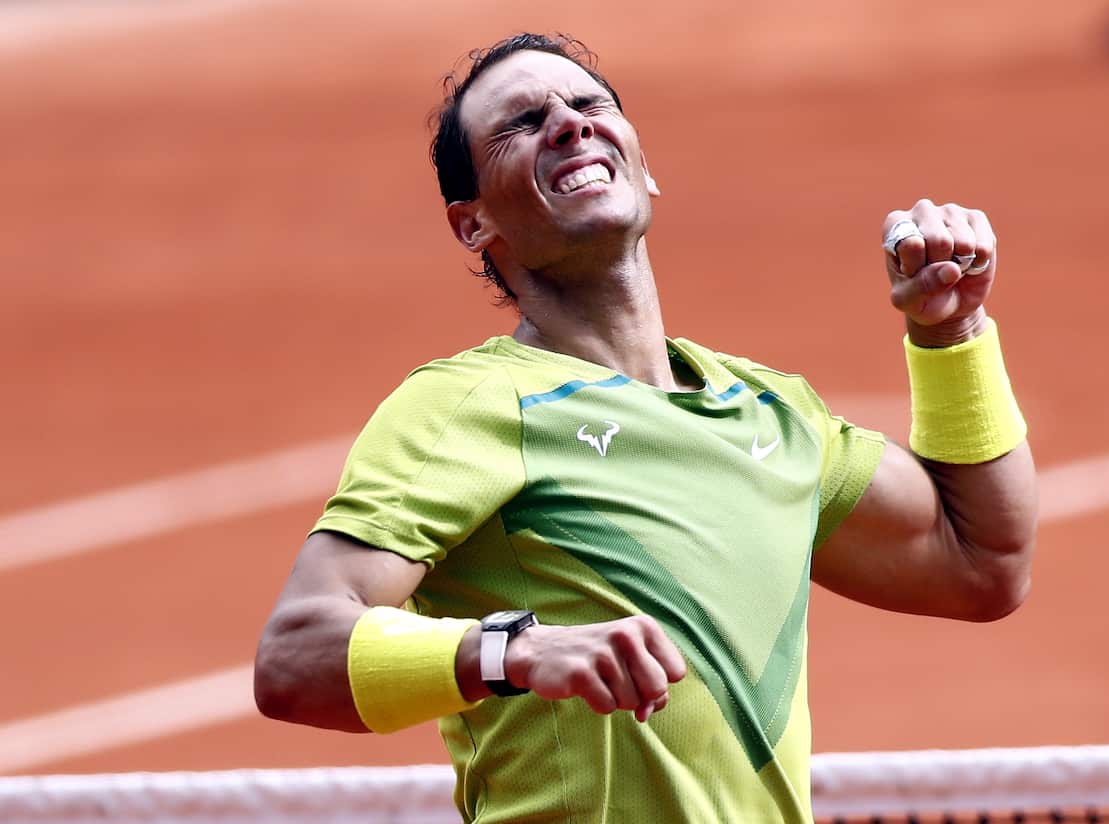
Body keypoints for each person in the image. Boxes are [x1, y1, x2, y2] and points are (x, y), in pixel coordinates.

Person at [253, 32, 1038, 824]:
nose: (568, 122)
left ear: (642, 164)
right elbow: (294, 655)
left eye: (589, 104)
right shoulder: (475, 405)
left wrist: (951, 335)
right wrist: (514, 651)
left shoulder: (768, 412)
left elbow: (980, 562)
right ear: (473, 223)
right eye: (520, 124)